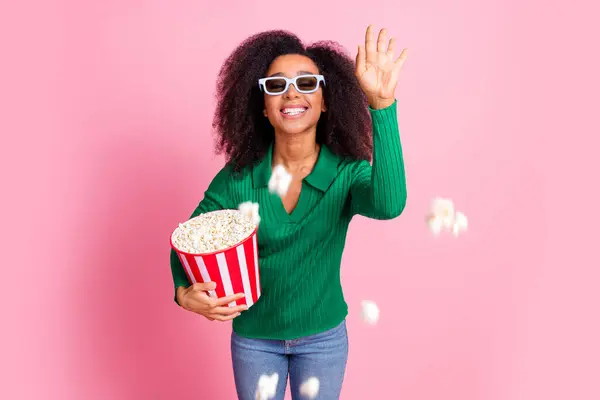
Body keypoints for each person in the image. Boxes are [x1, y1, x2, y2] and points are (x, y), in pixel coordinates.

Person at [170, 25, 408, 400]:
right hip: (254, 340)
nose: (292, 92)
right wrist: (183, 293)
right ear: (263, 107)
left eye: (307, 83)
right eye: (276, 85)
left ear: (326, 100)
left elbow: (389, 204)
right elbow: (187, 239)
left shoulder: (346, 174)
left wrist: (381, 107)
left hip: (324, 340)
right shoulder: (239, 178)